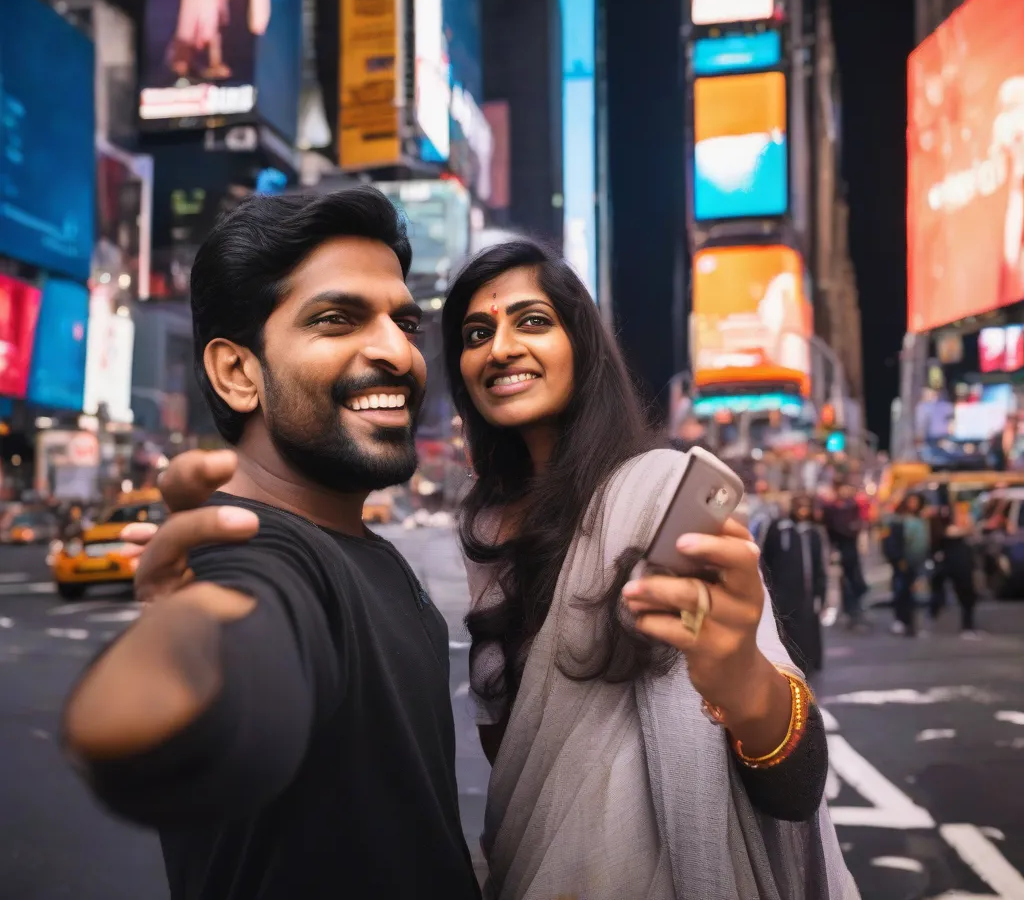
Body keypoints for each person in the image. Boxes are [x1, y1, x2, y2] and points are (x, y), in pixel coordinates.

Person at [127, 239, 857, 899]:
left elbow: (795, 788)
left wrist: (741, 681)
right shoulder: (485, 535)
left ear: (583, 346)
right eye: (477, 334)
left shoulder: (653, 496)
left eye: (532, 322)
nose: (500, 348)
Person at [61, 189, 482, 900]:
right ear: (238, 373)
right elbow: (241, 655)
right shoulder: (255, 551)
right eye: (336, 319)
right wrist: (179, 677)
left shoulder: (367, 549)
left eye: (402, 322)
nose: (397, 351)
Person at [759, 494, 827, 676]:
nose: (803, 510)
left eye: (806, 506)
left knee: (806, 629)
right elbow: (766, 559)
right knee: (785, 630)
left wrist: (821, 593)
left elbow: (819, 566)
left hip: (806, 592)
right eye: (799, 505)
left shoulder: (812, 533)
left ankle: (808, 665)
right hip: (782, 593)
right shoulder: (778, 529)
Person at [928, 505, 980, 638]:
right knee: (938, 593)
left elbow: (971, 531)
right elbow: (945, 534)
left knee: (966, 594)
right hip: (946, 562)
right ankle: (932, 619)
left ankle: (967, 625)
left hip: (960, 563)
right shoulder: (937, 523)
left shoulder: (962, 523)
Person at [883, 493, 930, 637]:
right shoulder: (897, 521)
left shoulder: (921, 520)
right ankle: (900, 620)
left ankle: (911, 623)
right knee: (901, 591)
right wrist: (898, 559)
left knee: (914, 593)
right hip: (902, 562)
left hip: (917, 562)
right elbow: (890, 543)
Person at [824, 480, 866, 628]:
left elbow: (859, 525)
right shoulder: (831, 509)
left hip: (851, 550)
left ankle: (856, 610)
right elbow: (830, 529)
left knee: (855, 580)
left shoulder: (853, 506)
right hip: (839, 549)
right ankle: (848, 612)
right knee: (842, 583)